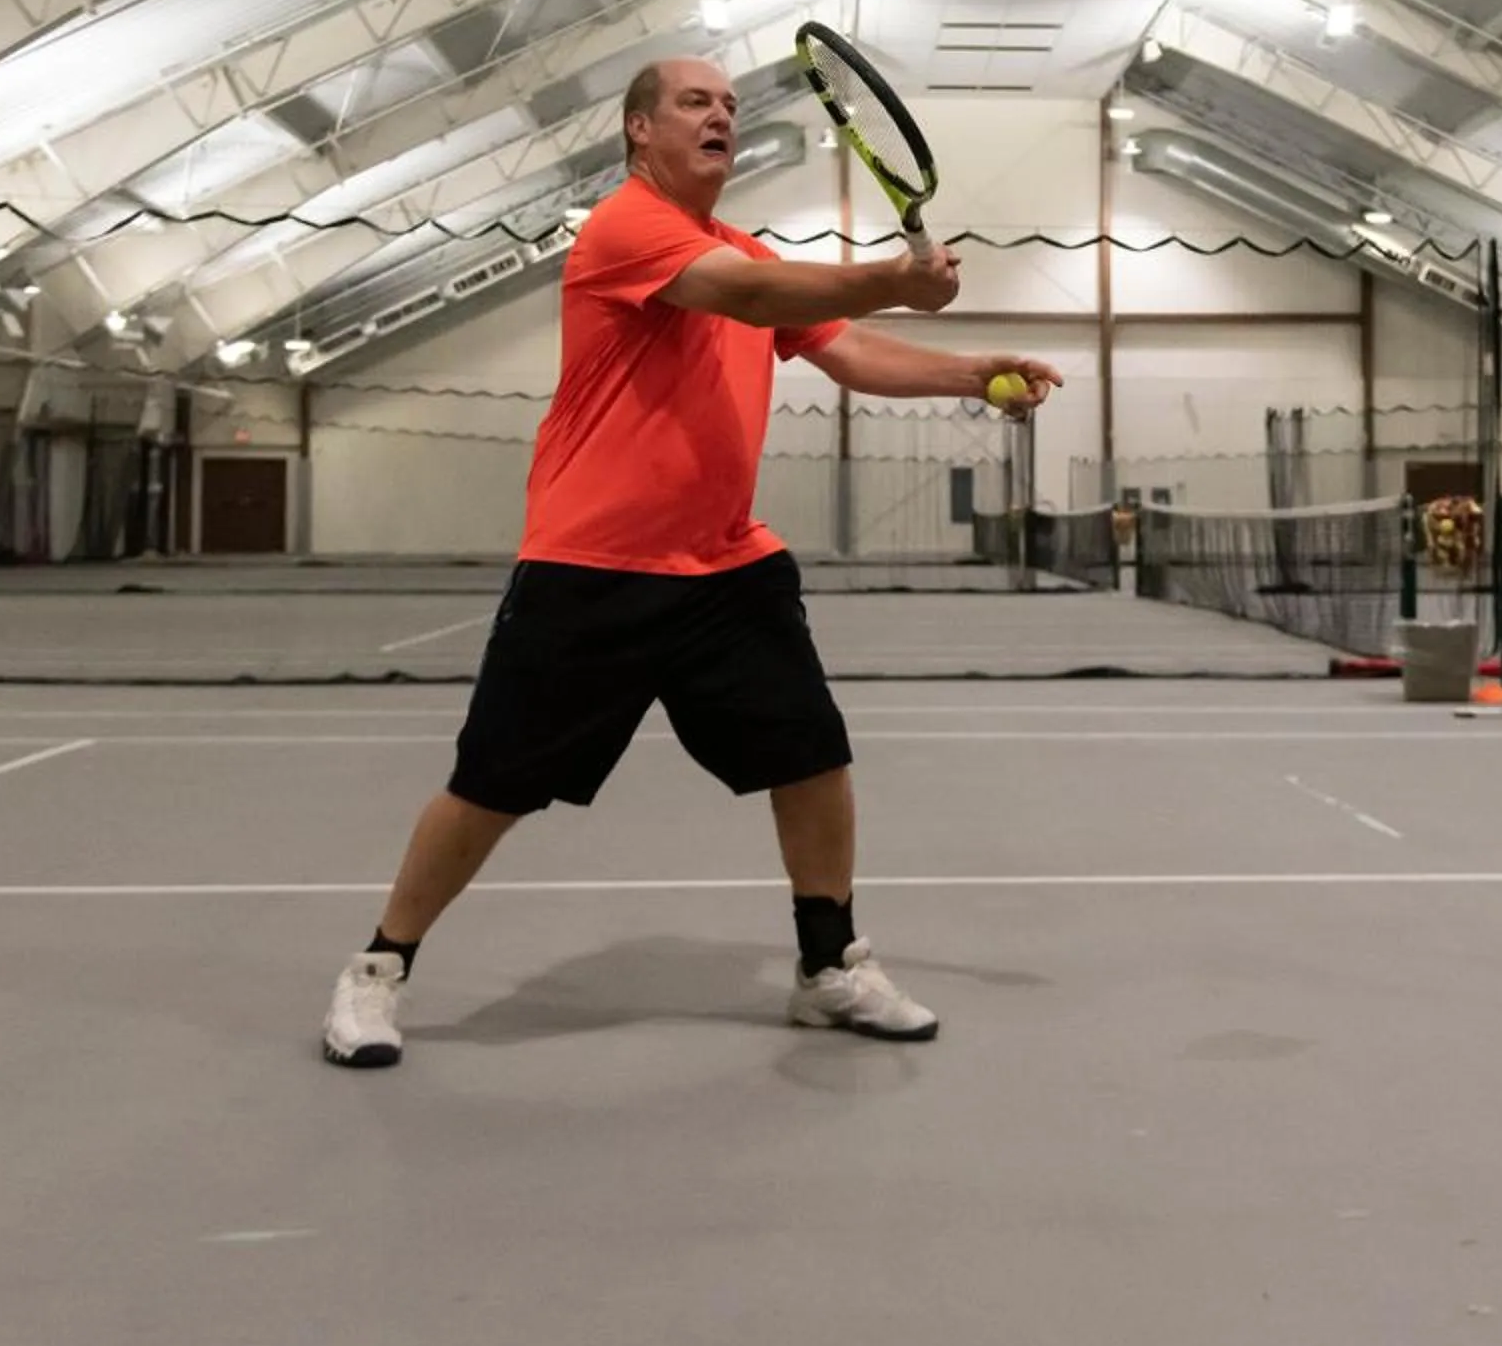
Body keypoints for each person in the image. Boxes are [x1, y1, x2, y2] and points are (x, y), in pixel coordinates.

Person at [321, 52, 1061, 1067]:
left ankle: (829, 964)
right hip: (593, 566)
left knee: (812, 757)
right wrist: (895, 279)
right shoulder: (625, 229)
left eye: (729, 104)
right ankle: (377, 970)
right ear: (640, 128)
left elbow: (844, 349)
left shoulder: (743, 247)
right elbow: (748, 297)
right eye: (694, 101)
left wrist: (971, 374)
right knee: (493, 785)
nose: (720, 115)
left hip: (725, 569)